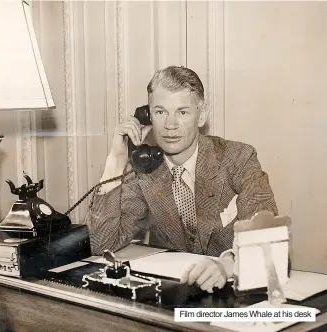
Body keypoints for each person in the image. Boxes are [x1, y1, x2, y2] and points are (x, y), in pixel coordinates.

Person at [85, 65, 278, 293]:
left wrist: (228, 264)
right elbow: (103, 244)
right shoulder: (144, 170)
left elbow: (268, 236)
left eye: (182, 112)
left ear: (201, 116)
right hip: (175, 295)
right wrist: (115, 161)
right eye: (160, 112)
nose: (170, 125)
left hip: (236, 291)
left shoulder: (237, 158)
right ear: (147, 116)